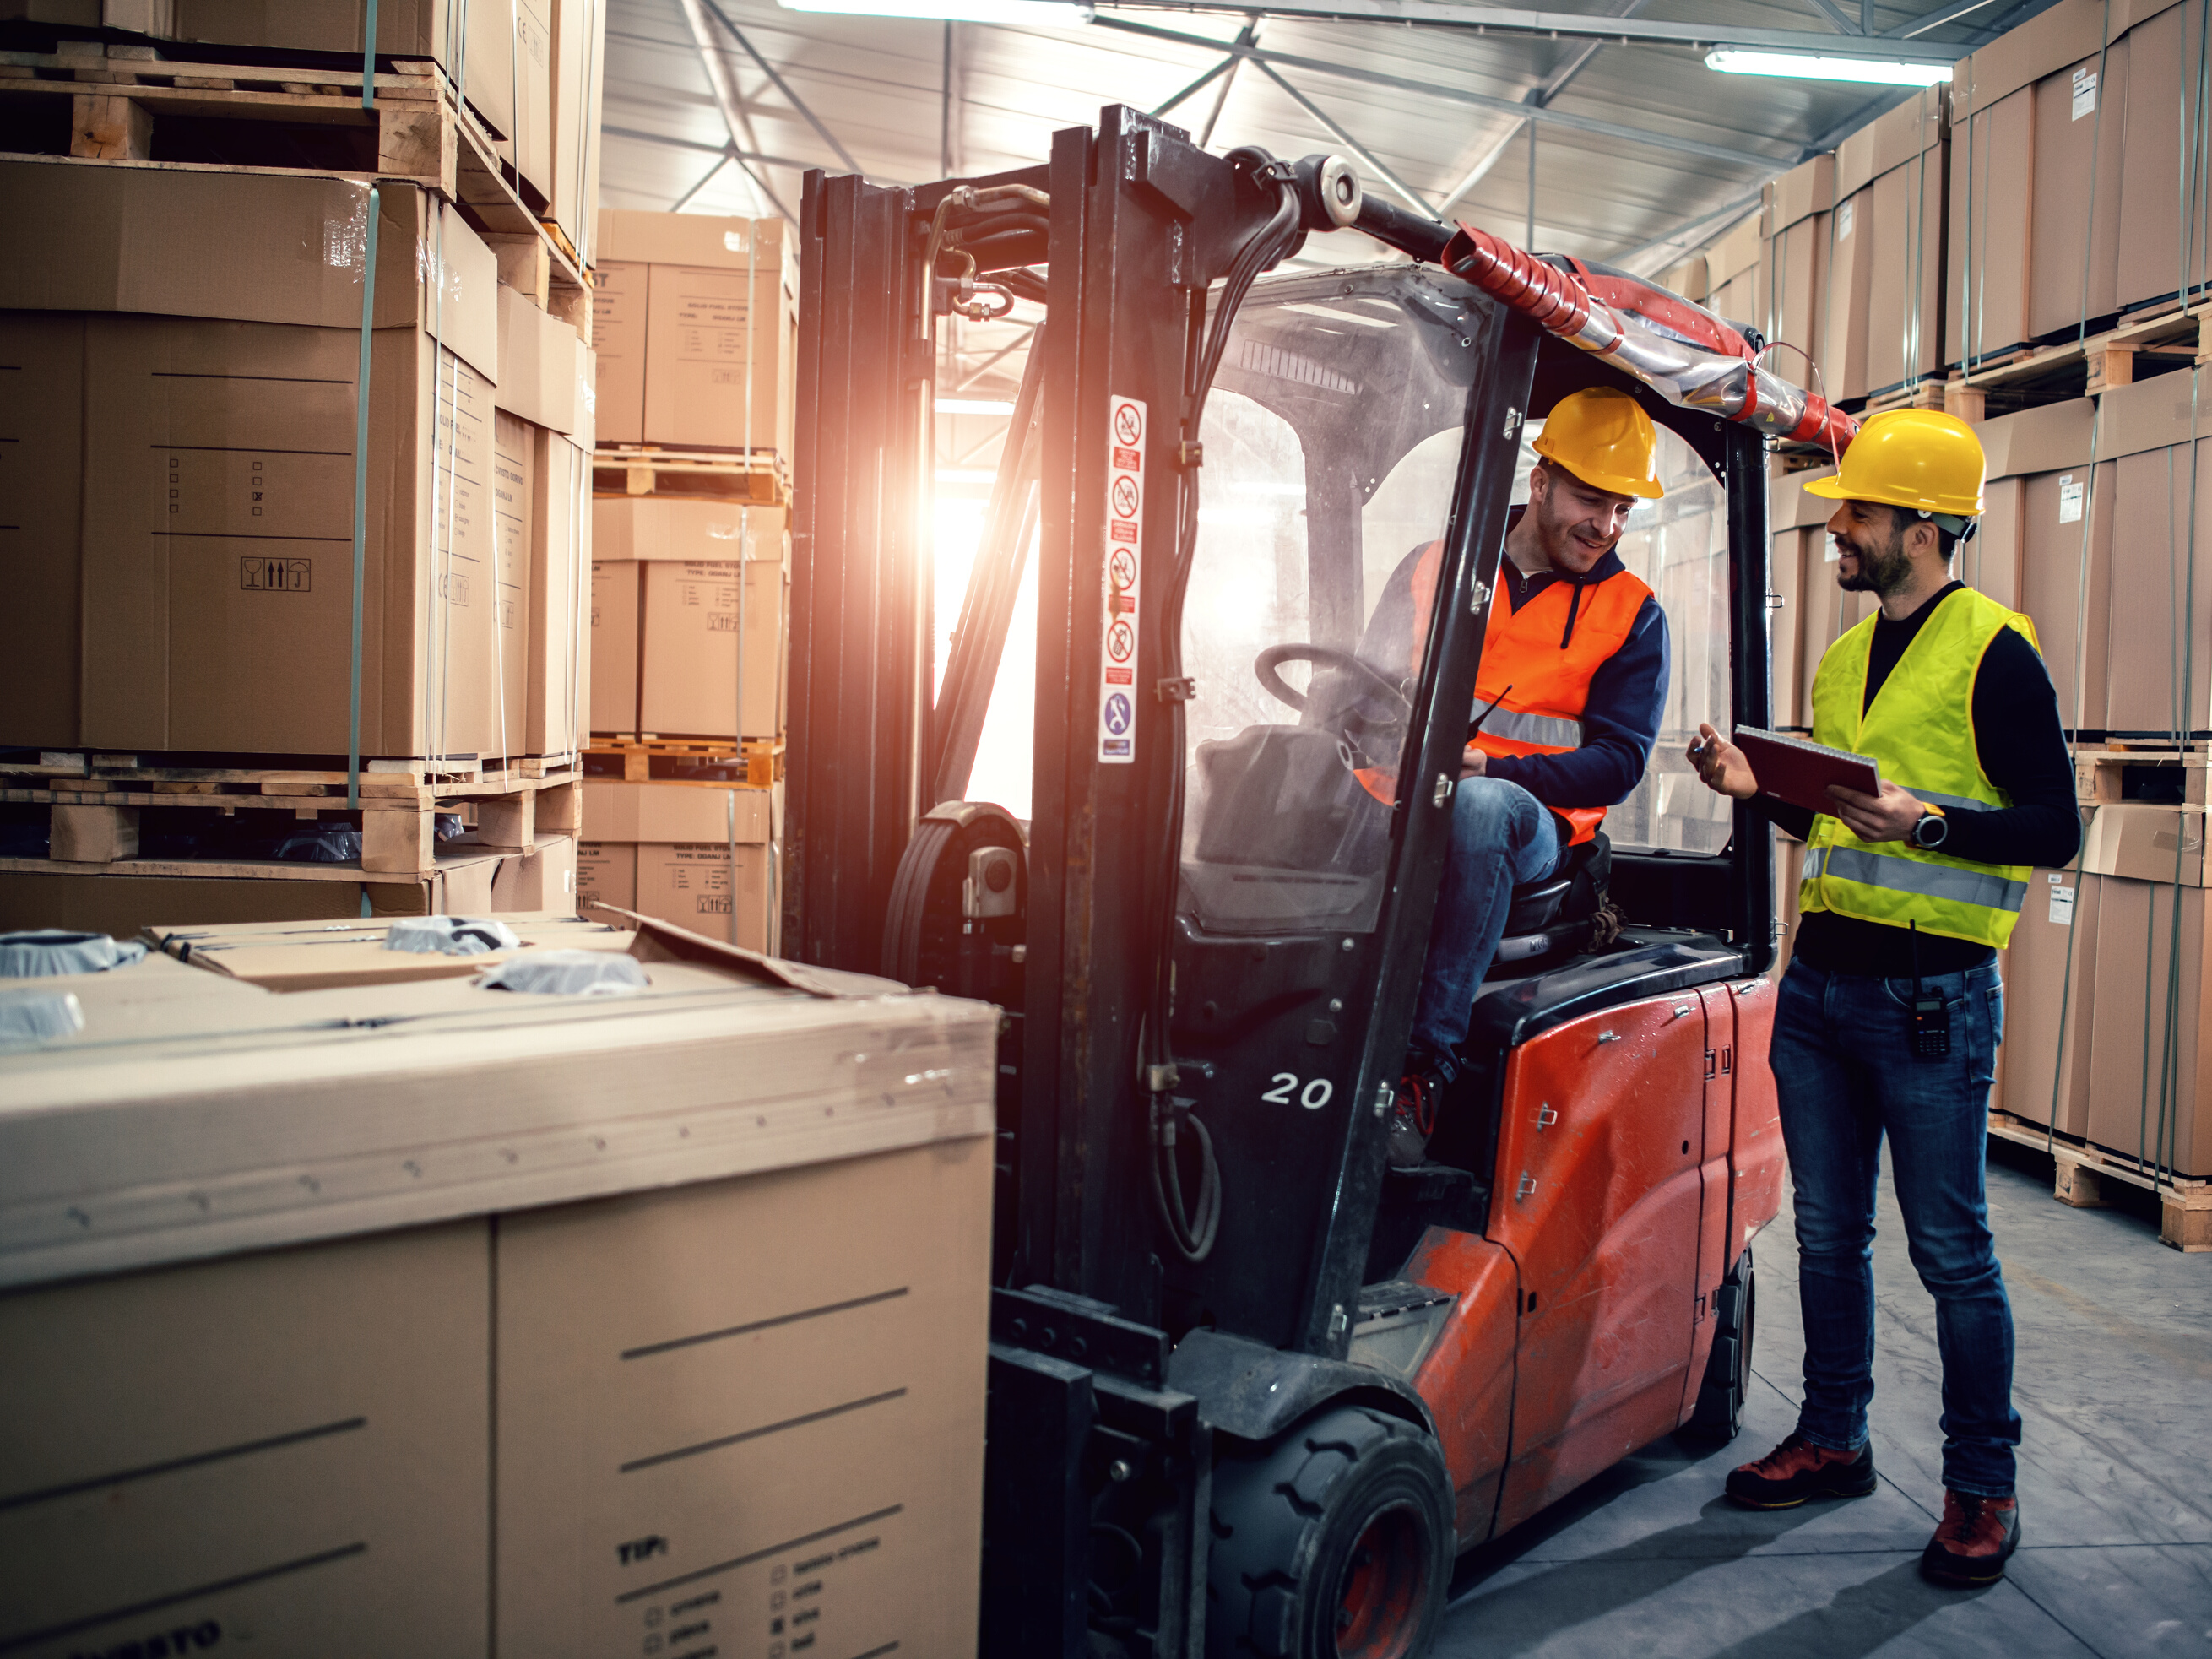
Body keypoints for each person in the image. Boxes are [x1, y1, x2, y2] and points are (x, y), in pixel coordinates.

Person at [1687, 408, 2079, 1588]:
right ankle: (1833, 1437)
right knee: (1825, 1234)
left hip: (1930, 1003)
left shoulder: (1996, 654)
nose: (1837, 529)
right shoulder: (1845, 657)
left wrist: (1932, 823)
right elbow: (1839, 819)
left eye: (1855, 512)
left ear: (1921, 528)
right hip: (1821, 990)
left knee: (1952, 1252)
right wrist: (1756, 787)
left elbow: (2053, 828)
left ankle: (1982, 1488)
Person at [1369, 385, 1673, 1168]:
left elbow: (1620, 761)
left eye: (1622, 509)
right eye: (1591, 500)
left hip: (1537, 833)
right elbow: (1362, 690)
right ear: (1540, 483)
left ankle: (1423, 1069)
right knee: (1265, 760)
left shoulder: (1633, 614)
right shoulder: (1435, 566)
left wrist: (1496, 765)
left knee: (1481, 805)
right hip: (1403, 801)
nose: (1606, 526)